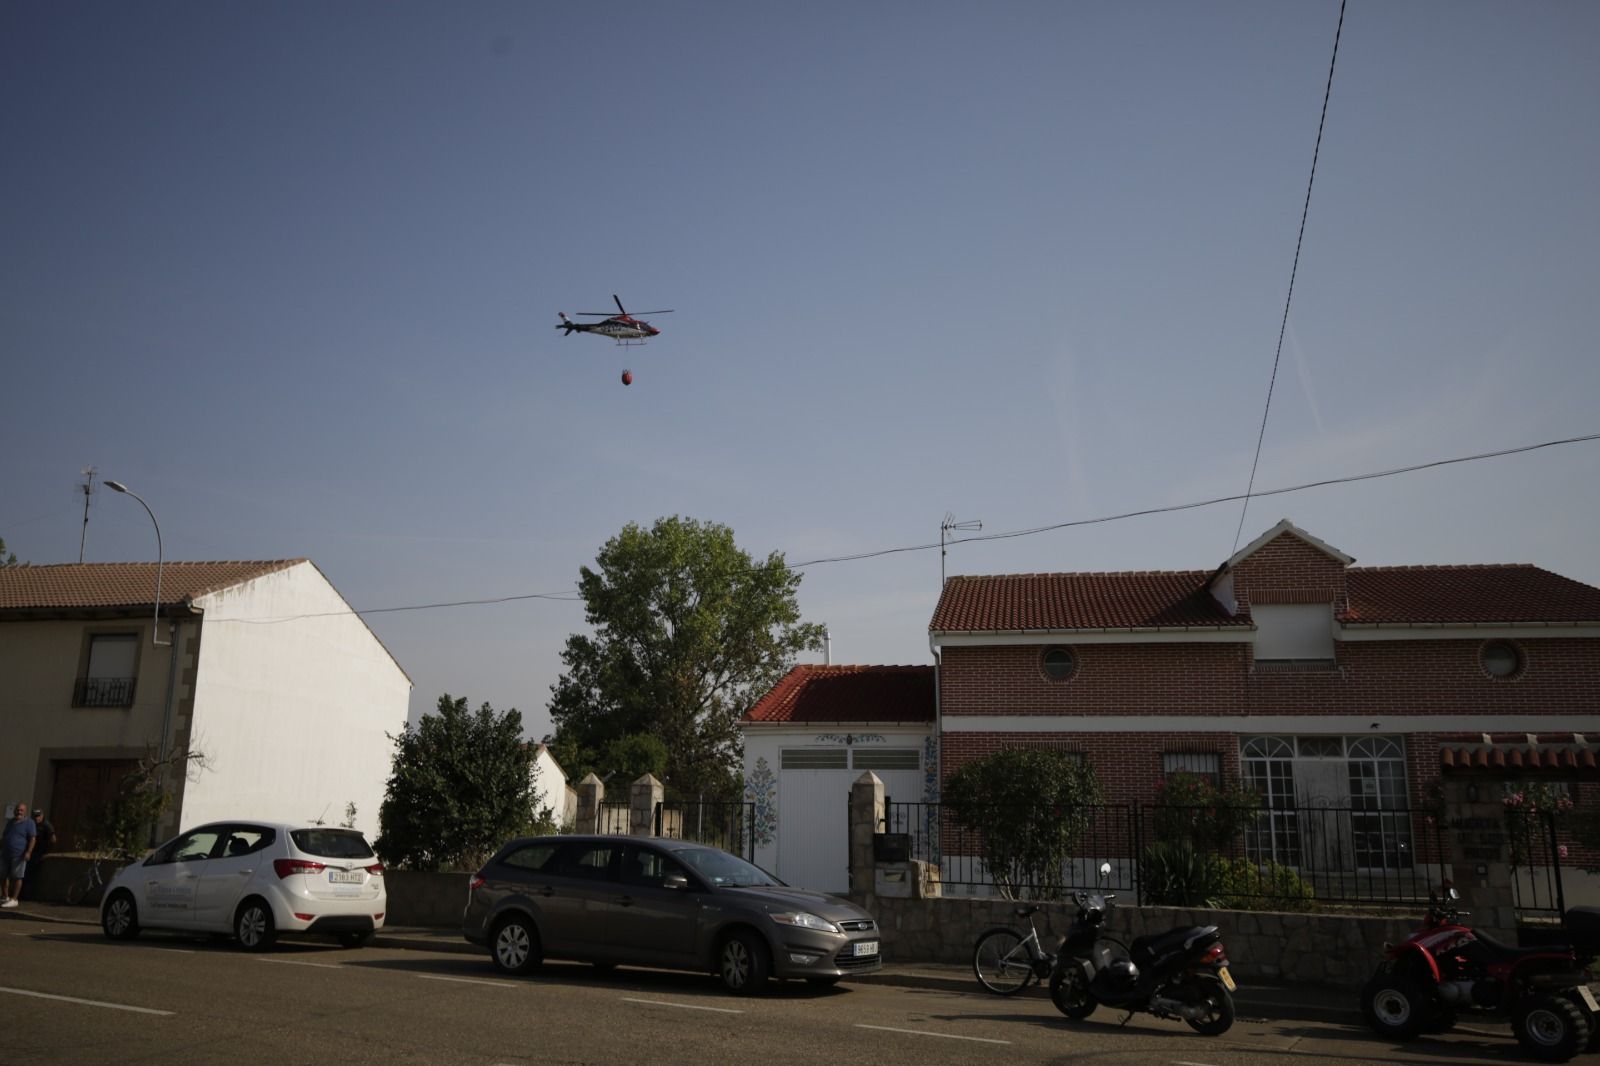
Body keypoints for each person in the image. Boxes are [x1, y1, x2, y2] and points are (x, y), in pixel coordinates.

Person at [1, 802, 37, 907]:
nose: (19, 812)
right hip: (5, 854)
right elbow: (4, 836)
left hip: (19, 854)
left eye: (21, 810)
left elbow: (32, 838)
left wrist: (28, 852)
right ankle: (5, 896)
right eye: (17, 810)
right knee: (2, 875)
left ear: (25, 811)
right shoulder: (10, 822)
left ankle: (14, 899)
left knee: (17, 877)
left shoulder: (29, 823)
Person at [22, 809, 55, 901]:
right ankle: (23, 894)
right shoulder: (31, 824)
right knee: (25, 874)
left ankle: (27, 896)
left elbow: (53, 840)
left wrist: (47, 852)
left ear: (42, 815)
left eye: (38, 816)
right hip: (29, 851)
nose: (37, 818)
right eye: (35, 816)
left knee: (31, 874)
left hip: (38, 853)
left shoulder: (46, 825)